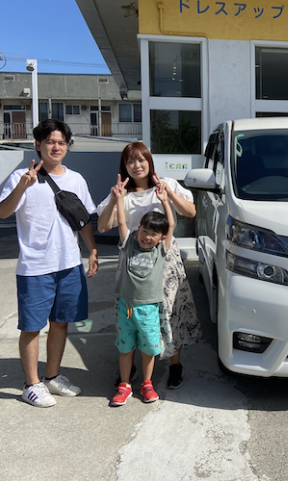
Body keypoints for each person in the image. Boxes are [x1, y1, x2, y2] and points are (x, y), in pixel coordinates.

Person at [0, 119, 98, 408]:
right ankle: (31, 385)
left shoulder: (76, 179)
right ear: (38, 144)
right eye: (50, 141)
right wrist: (22, 187)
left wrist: (92, 250)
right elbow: (3, 212)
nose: (56, 147)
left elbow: (82, 219)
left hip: (69, 263)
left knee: (61, 323)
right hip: (35, 266)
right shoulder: (21, 177)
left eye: (61, 142)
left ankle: (51, 376)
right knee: (31, 327)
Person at [97, 142, 201, 389]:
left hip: (165, 260)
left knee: (170, 311)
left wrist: (169, 194)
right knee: (131, 314)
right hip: (133, 262)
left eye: (141, 159)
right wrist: (114, 200)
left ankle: (174, 364)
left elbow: (190, 212)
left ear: (149, 161)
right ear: (125, 166)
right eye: (130, 161)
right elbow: (102, 226)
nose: (136, 165)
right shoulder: (122, 193)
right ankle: (129, 365)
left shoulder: (166, 183)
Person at [110, 180, 174, 406]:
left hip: (148, 308)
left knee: (148, 348)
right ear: (138, 230)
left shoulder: (160, 250)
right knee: (125, 348)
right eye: (144, 231)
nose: (147, 236)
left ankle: (147, 384)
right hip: (126, 307)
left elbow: (171, 225)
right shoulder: (129, 244)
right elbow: (121, 221)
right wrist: (119, 198)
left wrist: (165, 201)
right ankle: (125, 385)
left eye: (153, 234)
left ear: (161, 238)